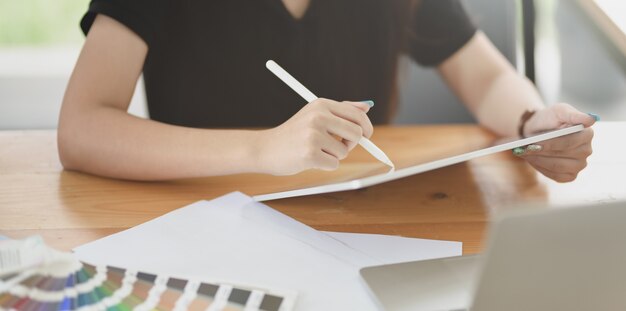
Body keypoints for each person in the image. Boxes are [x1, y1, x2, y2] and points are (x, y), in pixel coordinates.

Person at [58, 0, 596, 182]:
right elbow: (82, 126)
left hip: (352, 230)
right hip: (196, 214)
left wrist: (531, 123)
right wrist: (263, 149)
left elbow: (489, 78)